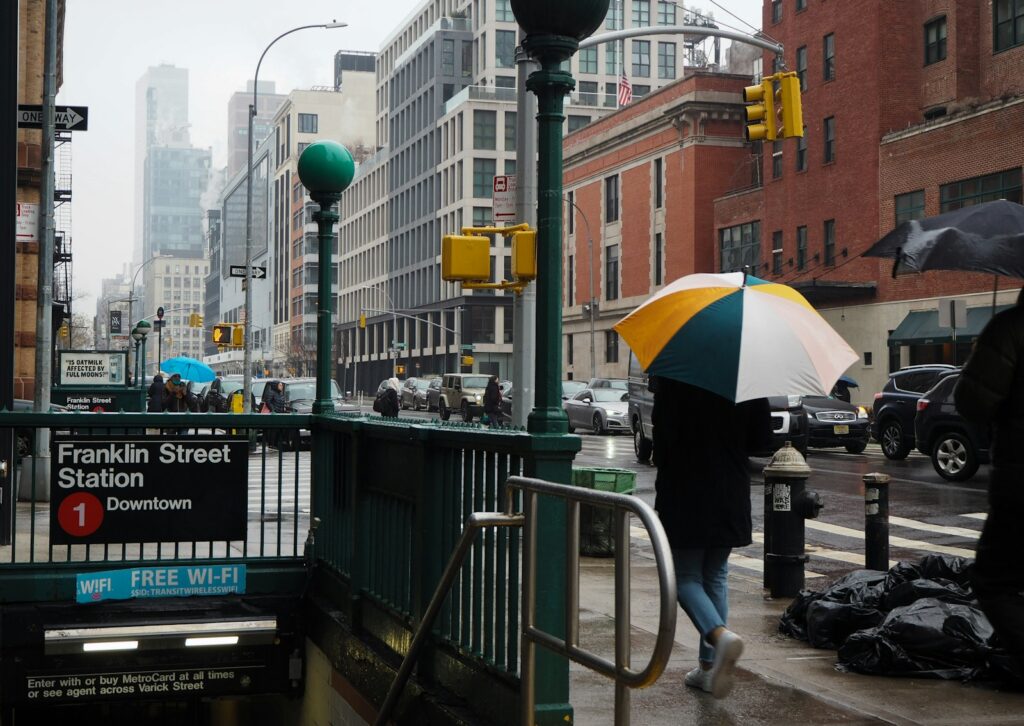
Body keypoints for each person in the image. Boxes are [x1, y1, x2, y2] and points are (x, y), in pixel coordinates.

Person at [652, 376, 771, 699]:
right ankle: (707, 668)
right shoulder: (746, 378)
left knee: (685, 577)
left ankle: (719, 637)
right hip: (730, 488)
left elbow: (661, 441)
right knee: (716, 574)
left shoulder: (676, 376)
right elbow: (761, 440)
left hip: (685, 488)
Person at [954, 288, 1024, 667]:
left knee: (994, 582)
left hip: (1019, 485)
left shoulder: (1010, 329)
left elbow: (972, 403)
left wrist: (983, 351)